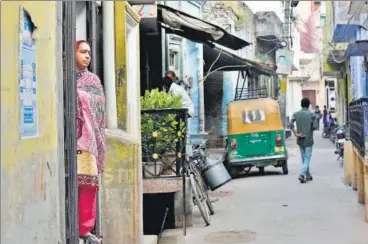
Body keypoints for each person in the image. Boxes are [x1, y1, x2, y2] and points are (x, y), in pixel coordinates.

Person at [76, 40, 106, 243]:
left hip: (88, 140)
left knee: (88, 184)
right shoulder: (64, 78)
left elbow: (100, 110)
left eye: (89, 53)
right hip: (70, 140)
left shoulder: (93, 80)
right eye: (83, 52)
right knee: (72, 184)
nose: (87, 56)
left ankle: (85, 229)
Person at [290, 97, 318, 184]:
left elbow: (290, 124)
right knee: (306, 158)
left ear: (301, 105)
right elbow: (315, 127)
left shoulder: (296, 114)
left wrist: (296, 133)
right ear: (309, 105)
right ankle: (302, 174)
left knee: (304, 158)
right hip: (308, 139)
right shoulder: (312, 115)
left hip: (300, 139)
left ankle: (308, 175)